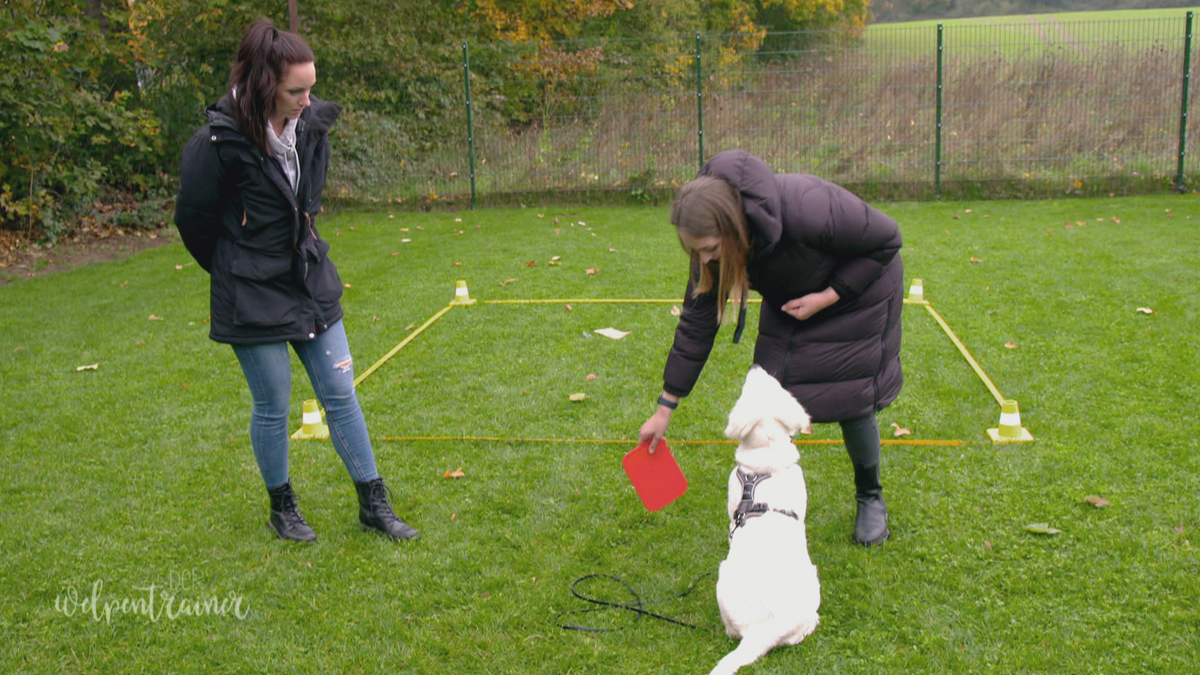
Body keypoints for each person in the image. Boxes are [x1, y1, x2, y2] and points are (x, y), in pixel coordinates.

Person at [174, 18, 417, 542]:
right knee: (273, 404)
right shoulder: (216, 142)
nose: (308, 100)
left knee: (340, 391)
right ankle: (283, 508)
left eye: (311, 87)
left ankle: (373, 502)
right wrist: (234, 267)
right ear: (265, 85)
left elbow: (308, 204)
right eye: (296, 91)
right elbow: (193, 220)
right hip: (250, 290)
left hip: (308, 279)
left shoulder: (310, 127)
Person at [638, 149, 903, 547]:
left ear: (733, 226)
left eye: (710, 248)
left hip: (854, 292)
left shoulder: (806, 205)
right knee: (763, 400)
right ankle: (763, 500)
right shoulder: (708, 249)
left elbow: (886, 240)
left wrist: (828, 296)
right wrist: (664, 408)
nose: (705, 259)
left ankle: (870, 497)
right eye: (695, 251)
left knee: (852, 395)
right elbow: (696, 324)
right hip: (791, 297)